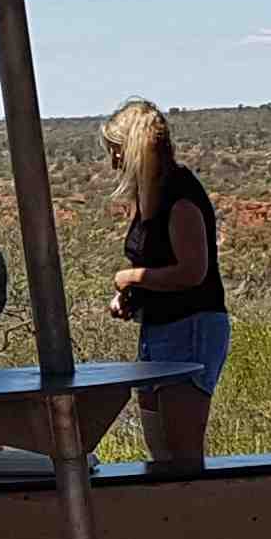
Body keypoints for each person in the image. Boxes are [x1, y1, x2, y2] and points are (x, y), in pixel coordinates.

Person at [103, 97, 229, 477]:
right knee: (161, 453)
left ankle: (197, 514)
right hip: (157, 331)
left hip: (189, 330)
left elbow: (192, 272)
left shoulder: (179, 194)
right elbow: (160, 265)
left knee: (182, 457)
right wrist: (132, 295)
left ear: (135, 149)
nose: (113, 161)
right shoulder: (151, 196)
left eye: (117, 150)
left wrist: (129, 278)